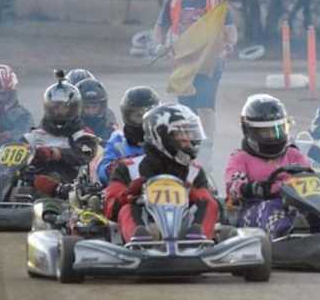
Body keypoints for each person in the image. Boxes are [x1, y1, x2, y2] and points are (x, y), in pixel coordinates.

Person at [153, 0, 237, 149]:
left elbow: (230, 28)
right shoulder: (175, 0)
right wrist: (158, 45)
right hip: (183, 64)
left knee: (205, 106)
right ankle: (189, 147)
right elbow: (160, 26)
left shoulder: (216, 1)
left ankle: (206, 147)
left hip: (209, 63)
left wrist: (229, 46)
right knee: (185, 110)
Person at [104, 103, 218, 242]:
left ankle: (198, 238)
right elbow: (110, 207)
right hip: (146, 226)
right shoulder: (128, 168)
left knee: (210, 204)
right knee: (126, 208)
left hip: (185, 230)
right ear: (161, 136)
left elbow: (208, 201)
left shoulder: (194, 172)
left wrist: (192, 192)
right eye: (181, 133)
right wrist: (130, 193)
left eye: (189, 133)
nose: (187, 139)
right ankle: (139, 239)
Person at [224, 94, 313, 238]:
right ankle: (286, 235)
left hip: (294, 204)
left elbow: (309, 175)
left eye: (278, 130)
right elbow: (233, 185)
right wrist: (252, 188)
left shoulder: (292, 153)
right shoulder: (241, 158)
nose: (274, 136)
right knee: (268, 208)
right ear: (250, 132)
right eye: (267, 132)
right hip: (256, 207)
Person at [22, 76, 99, 198]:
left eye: (63, 107)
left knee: (52, 176)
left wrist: (56, 153)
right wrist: (28, 154)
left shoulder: (83, 134)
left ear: (73, 108)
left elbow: (85, 153)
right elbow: (18, 150)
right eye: (55, 107)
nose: (59, 111)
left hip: (68, 185)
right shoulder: (34, 135)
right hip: (32, 178)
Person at [96, 86, 160, 185]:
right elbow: (102, 173)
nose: (144, 120)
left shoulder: (165, 138)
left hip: (164, 186)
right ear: (127, 116)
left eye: (149, 115)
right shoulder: (118, 140)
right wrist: (116, 166)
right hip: (129, 192)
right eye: (138, 116)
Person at [74, 76, 117, 142]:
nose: (91, 111)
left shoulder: (108, 122)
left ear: (102, 106)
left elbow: (115, 141)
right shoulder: (73, 123)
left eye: (94, 107)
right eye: (87, 107)